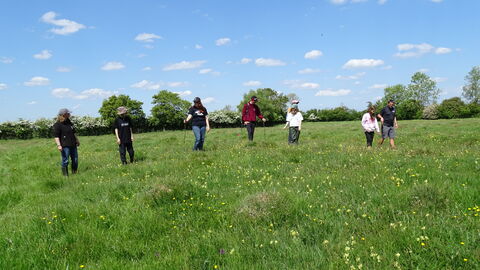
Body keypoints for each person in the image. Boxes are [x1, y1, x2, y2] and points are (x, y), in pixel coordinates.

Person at [53, 108, 80, 176]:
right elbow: (56, 136)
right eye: (68, 113)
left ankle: (74, 173)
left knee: (75, 160)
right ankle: (65, 176)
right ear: (64, 114)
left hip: (73, 144)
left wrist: (77, 140)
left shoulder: (69, 122)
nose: (70, 114)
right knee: (65, 161)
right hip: (65, 146)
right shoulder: (57, 125)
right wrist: (59, 145)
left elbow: (74, 132)